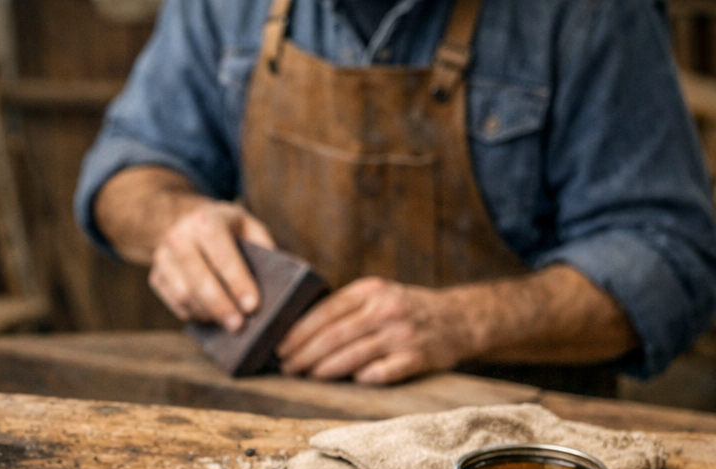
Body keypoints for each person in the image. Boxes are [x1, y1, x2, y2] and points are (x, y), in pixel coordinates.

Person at [76, 0, 716, 393]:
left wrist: (462, 323)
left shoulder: (588, 13)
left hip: (512, 459)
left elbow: (671, 261)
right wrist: (175, 222)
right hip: (279, 421)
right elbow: (127, 165)